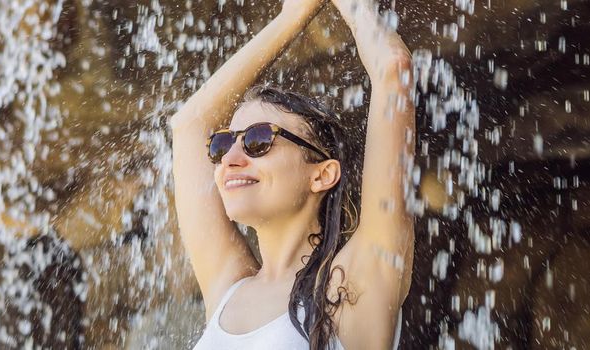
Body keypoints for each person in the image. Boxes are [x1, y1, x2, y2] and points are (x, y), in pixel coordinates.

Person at [167, 0, 414, 348]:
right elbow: (189, 125)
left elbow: (394, 68)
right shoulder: (229, 287)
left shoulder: (350, 283)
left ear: (323, 174)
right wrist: (293, 14)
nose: (230, 159)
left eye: (259, 140)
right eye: (223, 144)